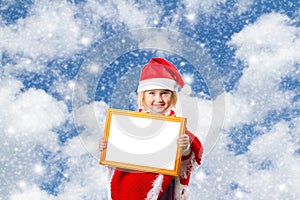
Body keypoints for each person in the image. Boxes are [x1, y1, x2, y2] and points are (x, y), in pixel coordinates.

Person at [99, 57, 203, 200]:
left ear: (172, 97)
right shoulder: (131, 125)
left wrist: (184, 147)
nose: (158, 99)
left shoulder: (176, 127)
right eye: (152, 93)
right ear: (143, 95)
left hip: (164, 188)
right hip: (133, 185)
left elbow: (186, 159)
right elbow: (121, 152)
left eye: (164, 93)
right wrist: (108, 147)